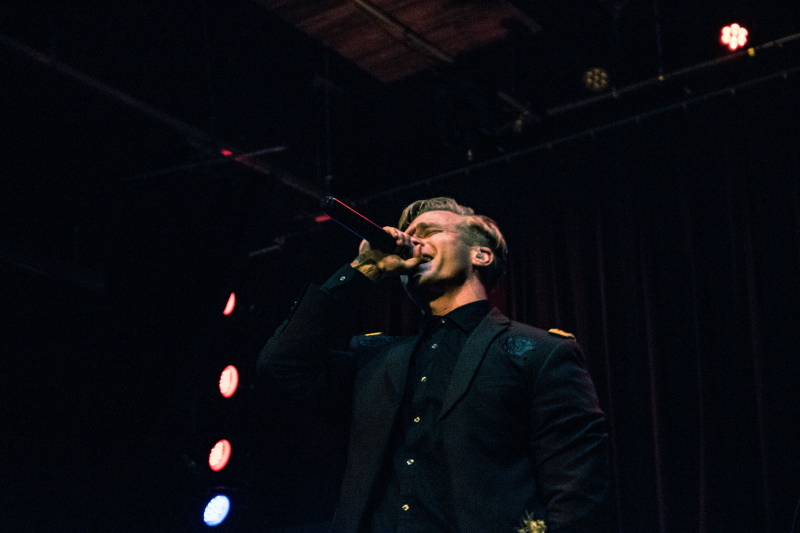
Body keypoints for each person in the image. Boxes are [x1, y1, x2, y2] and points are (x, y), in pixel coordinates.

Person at [258, 197, 608, 533]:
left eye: (427, 232)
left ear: (481, 255)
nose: (411, 242)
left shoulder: (540, 352)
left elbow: (575, 490)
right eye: (408, 235)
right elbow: (281, 366)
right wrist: (365, 269)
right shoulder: (375, 359)